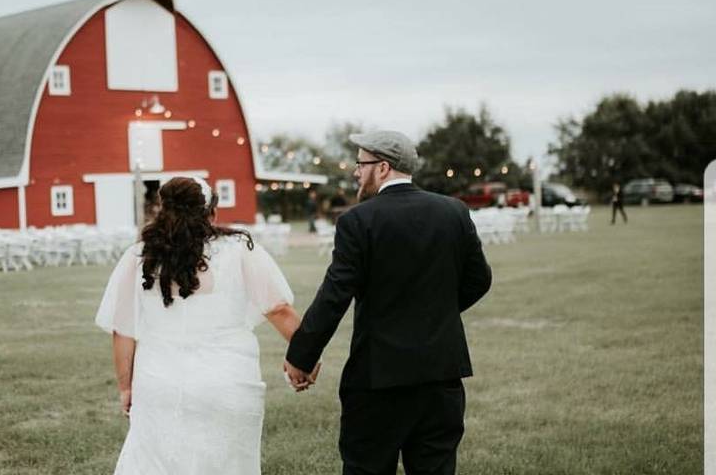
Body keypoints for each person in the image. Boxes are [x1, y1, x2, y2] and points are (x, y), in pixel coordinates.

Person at [284, 131, 492, 475]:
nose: (354, 171)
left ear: (382, 168)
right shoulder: (453, 211)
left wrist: (300, 356)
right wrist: (434, 310)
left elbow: (334, 295)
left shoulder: (357, 221)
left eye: (360, 163)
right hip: (441, 375)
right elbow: (479, 280)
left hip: (377, 378)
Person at [95, 176, 303, 474]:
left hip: (158, 383)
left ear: (162, 210)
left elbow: (123, 330)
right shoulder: (238, 249)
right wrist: (306, 356)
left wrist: (126, 387)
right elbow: (279, 309)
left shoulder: (141, 255)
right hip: (227, 381)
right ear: (211, 212)